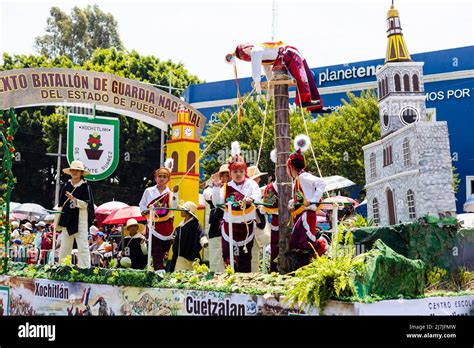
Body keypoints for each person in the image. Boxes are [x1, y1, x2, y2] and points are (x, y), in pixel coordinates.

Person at [212, 141, 261, 272]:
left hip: (246, 227)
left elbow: (257, 196)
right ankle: (230, 281)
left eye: (241, 171)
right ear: (230, 172)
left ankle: (244, 284)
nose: (238, 174)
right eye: (235, 171)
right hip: (229, 227)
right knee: (228, 257)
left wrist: (251, 199)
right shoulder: (226, 187)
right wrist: (216, 187)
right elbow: (218, 203)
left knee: (246, 257)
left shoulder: (251, 184)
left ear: (245, 171)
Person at [228, 41, 323, 109]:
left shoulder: (255, 50)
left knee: (302, 76)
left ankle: (311, 103)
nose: (244, 56)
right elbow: (267, 71)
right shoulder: (260, 55)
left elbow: (256, 67)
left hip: (287, 53)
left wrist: (257, 81)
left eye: (243, 54)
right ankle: (308, 101)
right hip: (282, 59)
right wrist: (270, 84)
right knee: (303, 77)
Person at [287, 135, 327, 269]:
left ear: (291, 166)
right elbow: (301, 196)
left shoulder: (303, 177)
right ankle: (302, 271)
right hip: (300, 215)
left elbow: (321, 183)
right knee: (298, 244)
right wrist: (293, 201)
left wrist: (313, 201)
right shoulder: (298, 180)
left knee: (303, 244)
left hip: (306, 215)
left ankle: (321, 246)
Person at [139, 159, 179, 271]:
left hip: (167, 224)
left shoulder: (170, 192)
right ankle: (158, 270)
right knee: (155, 248)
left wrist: (175, 193)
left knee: (165, 248)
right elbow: (142, 204)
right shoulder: (148, 191)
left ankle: (162, 267)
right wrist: (144, 211)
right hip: (153, 224)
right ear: (155, 177)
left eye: (164, 176)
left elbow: (174, 207)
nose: (162, 178)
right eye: (159, 176)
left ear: (168, 179)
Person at [56, 160, 95, 269]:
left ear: (81, 173)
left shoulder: (85, 186)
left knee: (83, 247)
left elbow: (87, 205)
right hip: (67, 220)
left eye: (78, 171)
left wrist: (74, 199)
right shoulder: (66, 185)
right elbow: (60, 203)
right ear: (70, 172)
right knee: (64, 247)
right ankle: (63, 269)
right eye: (73, 170)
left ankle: (84, 269)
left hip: (80, 221)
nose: (75, 173)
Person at [203, 164, 230, 273]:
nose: (228, 178)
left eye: (230, 175)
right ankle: (216, 276)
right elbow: (214, 199)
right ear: (221, 176)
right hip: (216, 226)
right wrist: (216, 186)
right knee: (216, 253)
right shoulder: (209, 189)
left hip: (233, 225)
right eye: (225, 175)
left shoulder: (236, 189)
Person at [169, 201, 208, 272]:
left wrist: (204, 241)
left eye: (182, 210)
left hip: (192, 257)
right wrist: (173, 238)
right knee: (178, 276)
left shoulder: (195, 224)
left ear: (188, 213)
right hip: (180, 257)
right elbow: (175, 235)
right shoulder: (180, 226)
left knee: (193, 277)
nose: (181, 212)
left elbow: (201, 234)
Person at [247, 165, 269, 272]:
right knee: (251, 255)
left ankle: (254, 274)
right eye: (257, 177)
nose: (259, 179)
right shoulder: (248, 193)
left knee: (255, 255)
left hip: (256, 228)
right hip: (248, 228)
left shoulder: (258, 191)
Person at [261, 149, 280, 272]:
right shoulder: (271, 188)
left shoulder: (296, 186)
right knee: (275, 247)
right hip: (276, 222)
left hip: (293, 221)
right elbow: (266, 208)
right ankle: (274, 272)